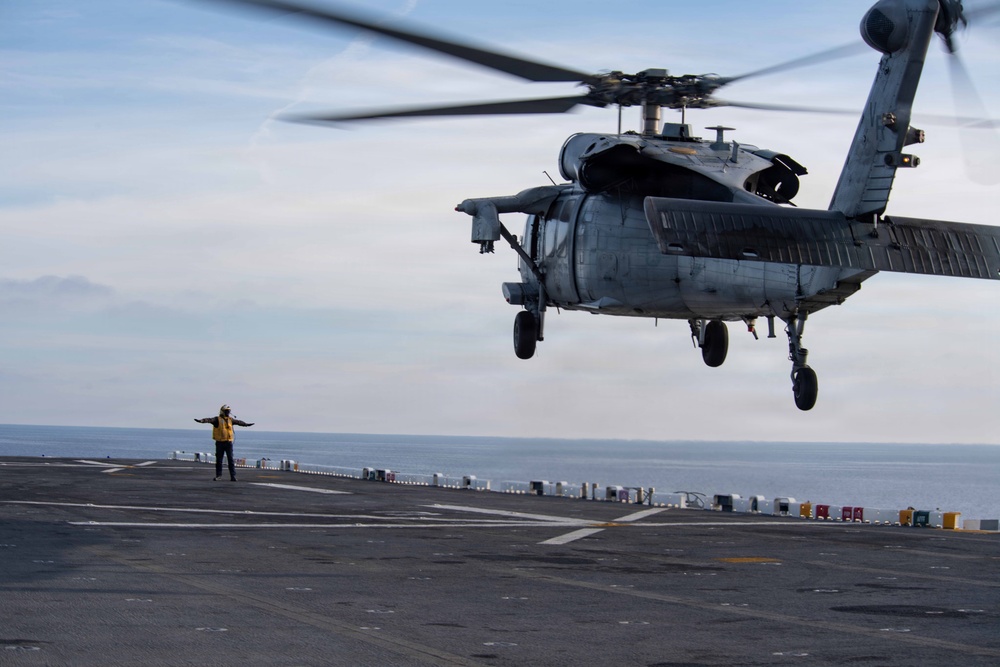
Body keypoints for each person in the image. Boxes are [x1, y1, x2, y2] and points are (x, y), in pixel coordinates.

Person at [194, 405, 254, 481]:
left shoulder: (230, 420)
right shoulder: (217, 419)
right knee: (219, 460)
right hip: (220, 442)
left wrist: (246, 424)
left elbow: (239, 422)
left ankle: (233, 476)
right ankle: (219, 476)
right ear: (222, 411)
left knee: (231, 460)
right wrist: (201, 421)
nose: (228, 412)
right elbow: (209, 420)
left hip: (228, 442)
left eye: (228, 411)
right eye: (226, 411)